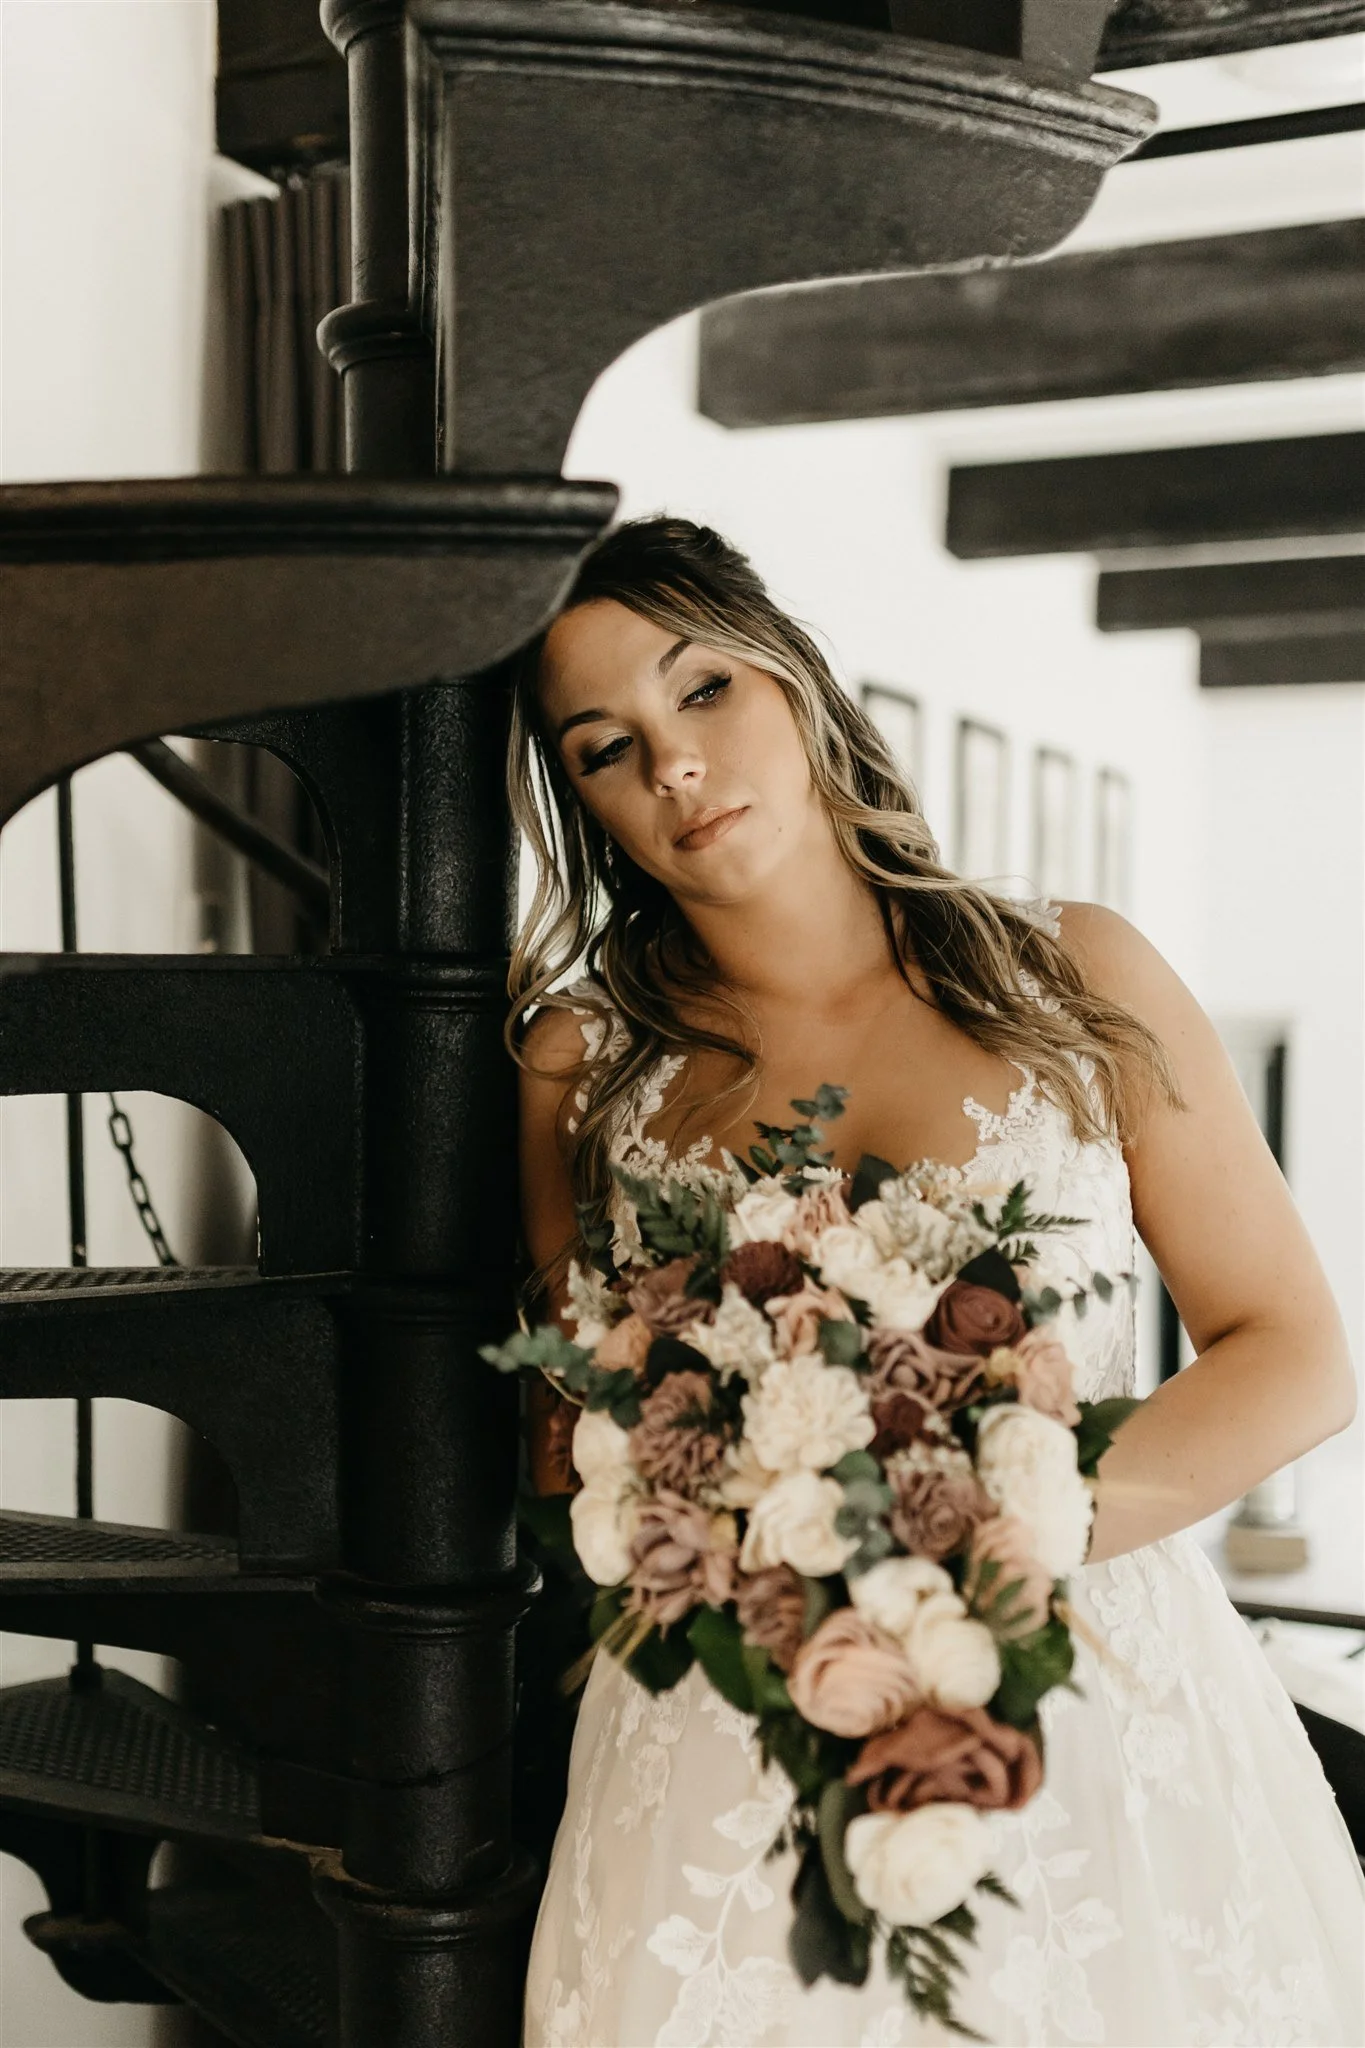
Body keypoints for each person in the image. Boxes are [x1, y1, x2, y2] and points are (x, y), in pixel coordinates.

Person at [507, 515, 1365, 2047]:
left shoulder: (1074, 973)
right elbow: (570, 1426)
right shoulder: (587, 1066)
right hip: (735, 1733)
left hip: (1093, 1712)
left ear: (797, 683)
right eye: (604, 749)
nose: (674, 766)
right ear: (583, 803)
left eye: (703, 691)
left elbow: (1296, 1353)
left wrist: (988, 1530)